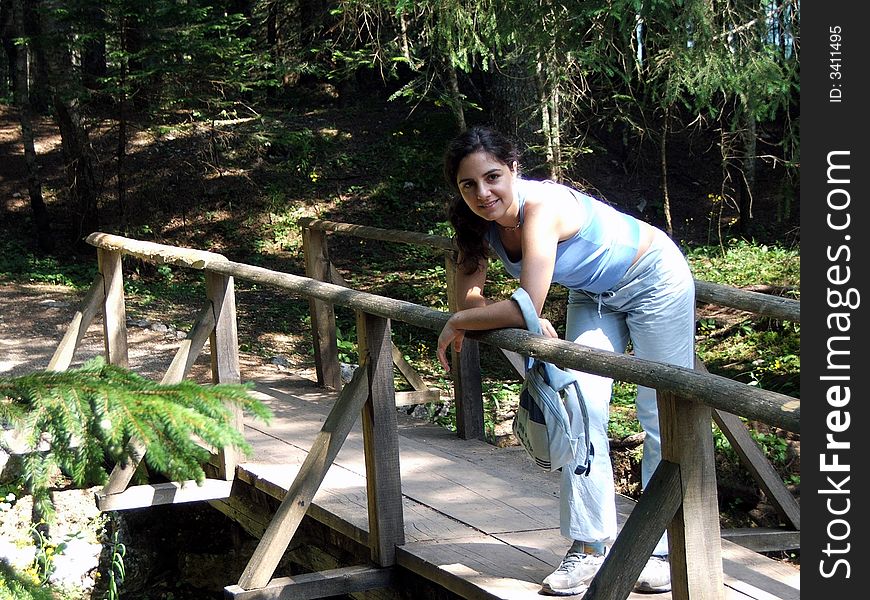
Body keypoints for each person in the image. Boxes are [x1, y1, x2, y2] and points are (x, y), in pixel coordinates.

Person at [436, 126, 696, 596]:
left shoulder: (542, 208)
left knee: (663, 410)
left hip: (656, 278)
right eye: (468, 184)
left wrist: (472, 318)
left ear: (514, 168)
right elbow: (468, 301)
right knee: (579, 406)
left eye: (493, 176)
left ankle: (659, 549)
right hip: (594, 295)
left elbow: (523, 303)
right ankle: (589, 547)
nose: (482, 192)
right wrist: (469, 316)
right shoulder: (472, 221)